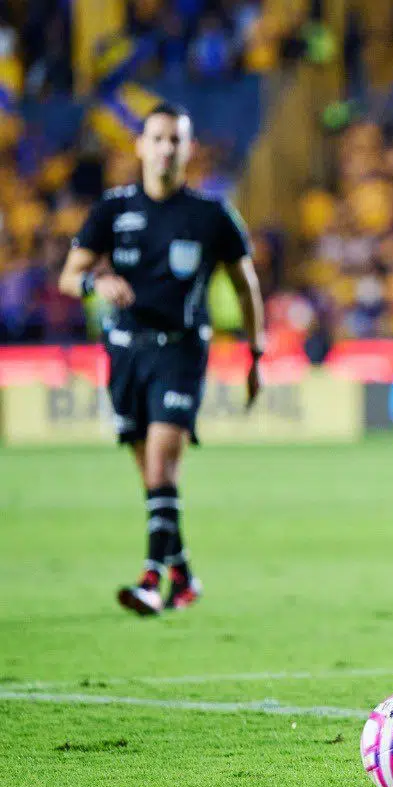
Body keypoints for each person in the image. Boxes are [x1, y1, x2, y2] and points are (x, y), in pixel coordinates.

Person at [58, 103, 265, 617]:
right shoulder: (112, 209)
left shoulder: (212, 214)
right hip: (125, 352)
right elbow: (69, 275)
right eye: (158, 138)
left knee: (162, 460)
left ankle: (150, 580)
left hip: (181, 352)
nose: (167, 148)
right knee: (151, 476)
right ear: (141, 146)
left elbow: (246, 285)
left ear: (189, 149)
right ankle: (184, 575)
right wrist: (95, 280)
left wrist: (255, 352)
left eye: (176, 139)